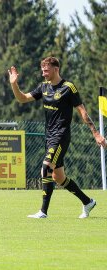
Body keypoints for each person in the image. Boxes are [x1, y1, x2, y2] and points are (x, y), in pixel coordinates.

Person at [8, 56, 106, 218]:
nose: (43, 73)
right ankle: (88, 202)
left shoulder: (68, 88)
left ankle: (43, 212)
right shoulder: (43, 87)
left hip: (61, 136)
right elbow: (22, 98)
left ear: (56, 69)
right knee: (58, 177)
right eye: (42, 70)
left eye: (46, 70)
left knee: (45, 168)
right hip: (49, 137)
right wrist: (14, 84)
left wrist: (95, 133)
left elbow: (82, 111)